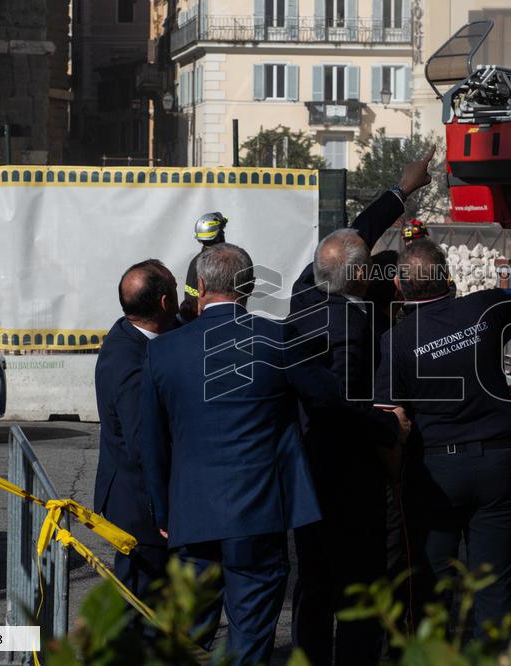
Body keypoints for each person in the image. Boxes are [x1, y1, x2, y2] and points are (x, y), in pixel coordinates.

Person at [138, 243, 409, 665]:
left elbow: (151, 442)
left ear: (201, 285)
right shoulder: (277, 339)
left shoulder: (161, 351)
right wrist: (390, 427)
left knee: (188, 634)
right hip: (257, 514)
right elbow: (331, 404)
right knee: (250, 638)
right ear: (248, 287)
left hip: (190, 515)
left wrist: (162, 513)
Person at [374, 205, 511, 634]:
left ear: (401, 287)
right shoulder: (486, 308)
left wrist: (393, 480)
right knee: (495, 587)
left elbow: (394, 421)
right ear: (448, 279)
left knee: (433, 589)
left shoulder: (396, 341)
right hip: (497, 465)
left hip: (435, 473)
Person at [289, 151, 434, 666]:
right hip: (348, 475)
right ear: (364, 275)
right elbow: (341, 407)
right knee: (355, 585)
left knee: (311, 586)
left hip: (306, 474)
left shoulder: (303, 297)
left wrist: (400, 191)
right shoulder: (354, 331)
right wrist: (386, 427)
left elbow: (347, 244)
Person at [93, 259, 179, 598]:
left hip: (136, 499)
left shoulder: (131, 331)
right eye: (176, 289)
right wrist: (164, 510)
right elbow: (145, 445)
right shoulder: (131, 362)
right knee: (143, 602)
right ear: (163, 303)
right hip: (141, 508)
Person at [180, 211, 228, 322]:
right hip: (217, 321)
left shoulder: (196, 262)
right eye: (222, 231)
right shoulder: (227, 262)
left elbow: (189, 301)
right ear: (218, 236)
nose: (223, 234)